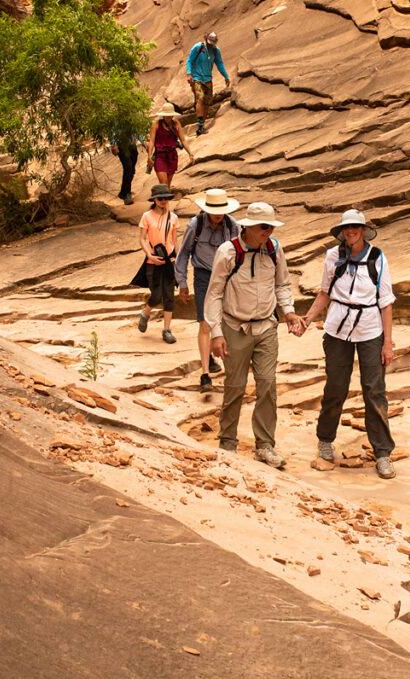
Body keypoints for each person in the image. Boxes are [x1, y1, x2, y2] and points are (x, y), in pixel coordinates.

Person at [203, 202, 304, 468]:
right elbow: (213, 293)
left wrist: (290, 312)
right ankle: (227, 443)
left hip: (267, 327)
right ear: (247, 226)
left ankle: (265, 445)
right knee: (234, 386)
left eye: (270, 226)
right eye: (263, 226)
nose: (268, 231)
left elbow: (282, 284)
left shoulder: (274, 249)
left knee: (267, 385)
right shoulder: (228, 252)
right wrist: (215, 332)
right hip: (234, 327)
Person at [302, 209, 397, 478]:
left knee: (374, 390)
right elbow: (325, 292)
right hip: (337, 329)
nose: (351, 231)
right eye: (347, 228)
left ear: (363, 229)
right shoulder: (334, 256)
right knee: (335, 386)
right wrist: (308, 319)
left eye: (356, 227)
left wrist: (387, 343)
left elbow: (386, 302)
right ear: (342, 231)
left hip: (370, 329)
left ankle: (382, 453)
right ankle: (325, 440)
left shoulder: (377, 257)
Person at [174, 188, 240, 392]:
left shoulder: (232, 225)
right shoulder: (196, 224)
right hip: (203, 276)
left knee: (225, 320)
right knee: (205, 322)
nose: (218, 214)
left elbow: (240, 252)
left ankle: (220, 361)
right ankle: (205, 374)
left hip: (226, 276)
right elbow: (183, 253)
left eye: (221, 210)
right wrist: (182, 282)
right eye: (214, 210)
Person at [129, 184, 179, 344]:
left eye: (166, 198)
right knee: (156, 294)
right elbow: (142, 239)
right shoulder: (147, 216)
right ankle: (146, 313)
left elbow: (175, 239)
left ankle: (167, 329)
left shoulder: (173, 217)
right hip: (153, 260)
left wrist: (178, 259)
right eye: (160, 198)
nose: (163, 201)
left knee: (169, 296)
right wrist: (149, 254)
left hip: (169, 260)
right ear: (155, 200)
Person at [185, 32, 230, 136]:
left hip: (208, 79)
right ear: (206, 39)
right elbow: (189, 61)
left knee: (207, 102)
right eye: (209, 42)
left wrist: (226, 76)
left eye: (212, 43)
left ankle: (202, 126)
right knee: (200, 98)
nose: (210, 45)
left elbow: (219, 63)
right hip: (197, 78)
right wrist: (189, 73)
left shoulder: (215, 50)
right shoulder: (198, 47)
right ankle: (200, 124)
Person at [146, 104, 193, 188]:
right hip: (160, 156)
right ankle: (162, 199)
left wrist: (190, 153)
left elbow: (183, 140)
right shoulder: (156, 124)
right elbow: (152, 141)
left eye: (169, 115)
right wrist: (149, 156)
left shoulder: (176, 124)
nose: (167, 117)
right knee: (163, 183)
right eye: (166, 115)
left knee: (168, 185)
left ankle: (163, 201)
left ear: (172, 115)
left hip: (172, 156)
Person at [109, 120, 138, 205]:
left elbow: (138, 129)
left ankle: (123, 193)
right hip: (122, 145)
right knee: (128, 167)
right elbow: (113, 130)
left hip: (133, 146)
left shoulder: (138, 113)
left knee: (131, 170)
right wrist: (114, 144)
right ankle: (127, 194)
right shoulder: (118, 114)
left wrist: (143, 141)